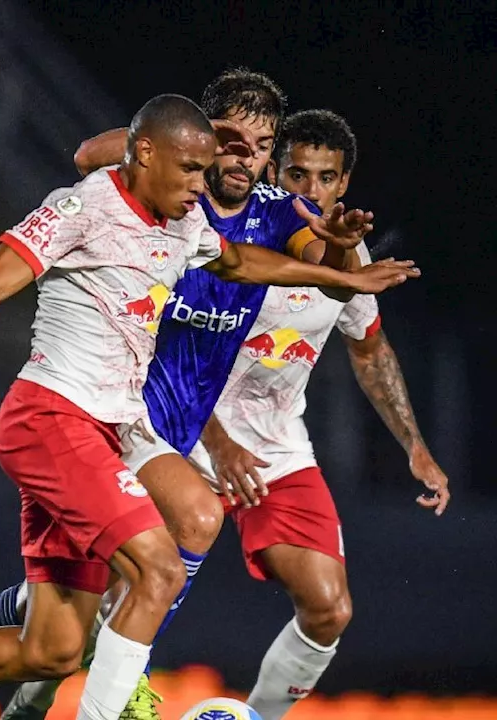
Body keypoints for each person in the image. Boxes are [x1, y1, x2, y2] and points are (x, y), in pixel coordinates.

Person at [0, 93, 414, 720]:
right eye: (190, 171)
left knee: (54, 647)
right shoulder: (84, 206)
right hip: (52, 416)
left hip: (112, 427)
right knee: (159, 569)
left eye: (206, 172)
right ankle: (115, 702)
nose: (199, 187)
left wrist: (344, 278)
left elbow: (240, 263)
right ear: (145, 154)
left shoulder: (183, 220)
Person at [190, 108, 449, 720]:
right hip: (187, 433)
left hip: (277, 450)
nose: (310, 191)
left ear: (345, 183)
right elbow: (170, 349)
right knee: (128, 591)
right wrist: (219, 442)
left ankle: (258, 717)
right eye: (296, 174)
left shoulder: (348, 258)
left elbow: (369, 348)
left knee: (329, 607)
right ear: (273, 172)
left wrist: (414, 444)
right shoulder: (234, 233)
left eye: (325, 178)